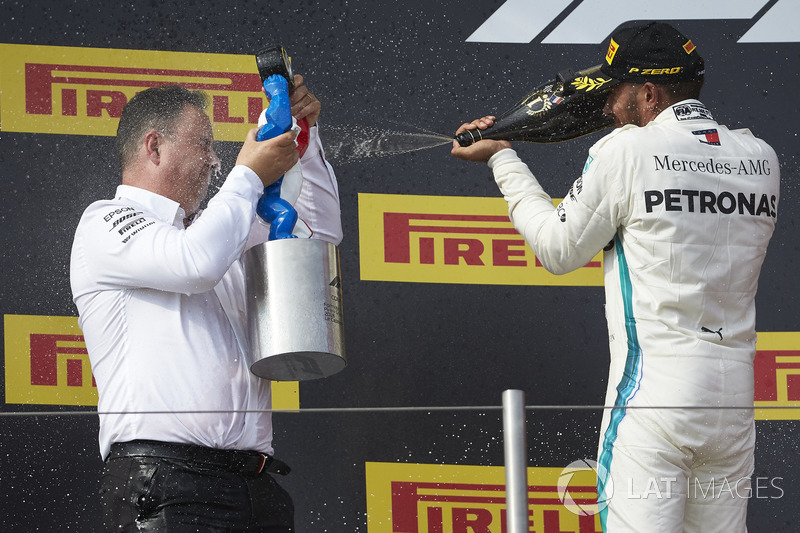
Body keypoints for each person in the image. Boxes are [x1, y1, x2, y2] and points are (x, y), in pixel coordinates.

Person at [452, 22, 779, 532]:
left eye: (615, 91)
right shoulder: (761, 158)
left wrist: (503, 157)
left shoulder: (626, 151)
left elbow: (558, 250)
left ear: (648, 93)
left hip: (654, 400)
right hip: (732, 406)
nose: (605, 106)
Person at [70, 74, 341, 532]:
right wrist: (250, 174)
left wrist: (303, 142)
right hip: (165, 484)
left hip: (255, 488)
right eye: (202, 144)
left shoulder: (219, 226)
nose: (215, 161)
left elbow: (315, 240)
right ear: (154, 147)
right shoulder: (105, 222)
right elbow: (195, 264)